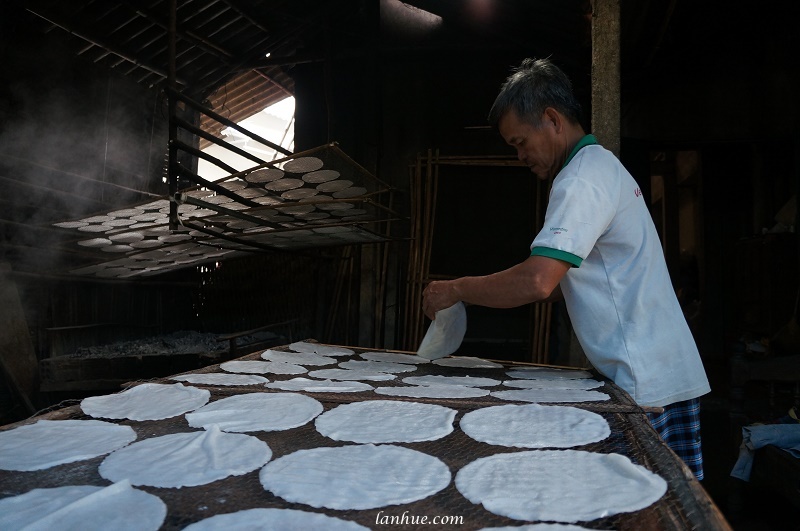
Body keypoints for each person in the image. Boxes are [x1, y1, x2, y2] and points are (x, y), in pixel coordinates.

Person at [421, 57, 711, 480]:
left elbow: (539, 282)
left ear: (552, 120)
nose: (520, 155)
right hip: (656, 371)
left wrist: (458, 289)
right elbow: (562, 282)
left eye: (520, 142)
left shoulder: (580, 179)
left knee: (644, 510)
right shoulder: (600, 166)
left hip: (644, 382)